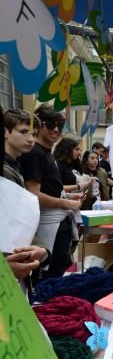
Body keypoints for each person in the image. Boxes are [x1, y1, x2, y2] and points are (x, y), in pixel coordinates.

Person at [20, 104, 81, 279]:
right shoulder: (35, 154)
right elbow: (33, 194)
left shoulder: (47, 153)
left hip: (58, 222)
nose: (55, 130)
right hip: (47, 225)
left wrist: (67, 196)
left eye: (59, 126)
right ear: (38, 125)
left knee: (57, 273)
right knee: (49, 278)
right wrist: (66, 202)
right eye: (50, 124)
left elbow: (50, 188)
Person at [1, 108, 50, 283]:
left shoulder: (15, 165)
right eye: (23, 132)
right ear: (6, 132)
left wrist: (42, 250)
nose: (31, 139)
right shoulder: (5, 171)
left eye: (34, 134)